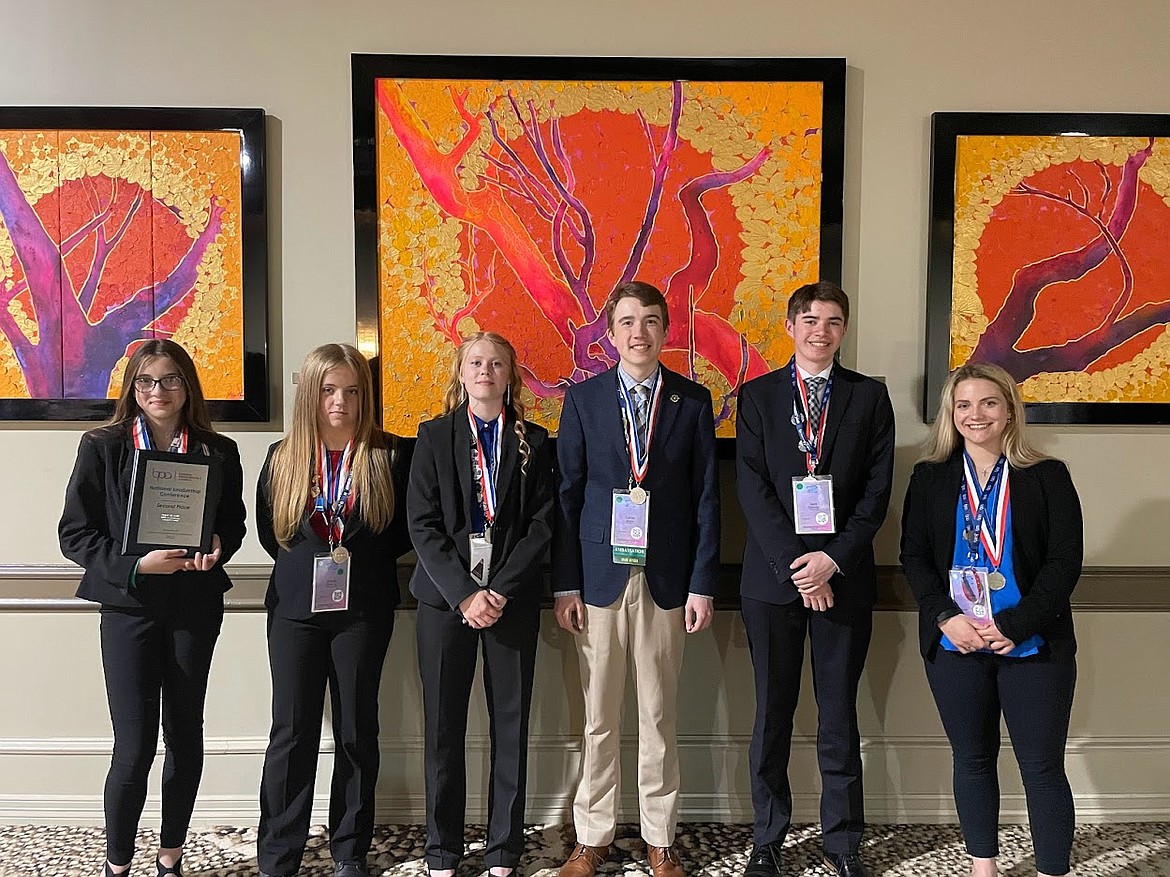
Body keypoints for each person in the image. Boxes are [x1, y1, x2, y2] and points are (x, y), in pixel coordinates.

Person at [58, 339, 247, 877]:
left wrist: (217, 546)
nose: (158, 391)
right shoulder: (103, 446)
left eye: (169, 380)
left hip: (194, 606)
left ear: (187, 385)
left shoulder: (218, 449)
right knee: (134, 743)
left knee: (185, 733)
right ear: (131, 389)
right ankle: (118, 862)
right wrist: (137, 566)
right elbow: (74, 535)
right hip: (128, 608)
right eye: (146, 381)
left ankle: (171, 855)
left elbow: (230, 524)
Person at [553, 281, 720, 877]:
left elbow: (706, 501)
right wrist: (564, 585)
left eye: (650, 321)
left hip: (667, 580)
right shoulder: (585, 400)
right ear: (611, 331)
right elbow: (567, 496)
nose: (639, 332)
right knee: (599, 715)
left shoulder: (692, 403)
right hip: (598, 578)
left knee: (657, 714)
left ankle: (659, 838)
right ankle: (592, 836)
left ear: (665, 329)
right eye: (627, 321)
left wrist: (702, 584)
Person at [735, 281, 894, 877]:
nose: (819, 330)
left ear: (844, 330)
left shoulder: (869, 397)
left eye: (831, 321)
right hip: (773, 582)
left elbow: (876, 493)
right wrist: (800, 568)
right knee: (772, 714)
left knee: (838, 716)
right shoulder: (758, 397)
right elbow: (751, 488)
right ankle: (768, 839)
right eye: (809, 319)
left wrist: (832, 560)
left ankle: (843, 842)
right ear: (790, 326)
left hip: (844, 579)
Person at [900, 362, 1082, 877]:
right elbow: (913, 556)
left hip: (1033, 644)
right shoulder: (931, 477)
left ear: (1008, 412)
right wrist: (945, 617)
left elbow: (1064, 562)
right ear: (950, 414)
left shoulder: (1047, 476)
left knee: (1042, 768)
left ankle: (1051, 870)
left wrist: (1013, 626)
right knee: (972, 761)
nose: (974, 415)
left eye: (987, 404)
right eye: (963, 405)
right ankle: (985, 868)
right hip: (955, 642)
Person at [255, 343, 410, 877]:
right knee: (291, 733)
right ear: (310, 395)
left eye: (351, 390)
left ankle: (350, 851)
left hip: (363, 611)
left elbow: (400, 537)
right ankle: (279, 855)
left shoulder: (390, 455)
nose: (339, 401)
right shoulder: (282, 457)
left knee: (355, 731)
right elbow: (270, 536)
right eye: (328, 390)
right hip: (294, 612)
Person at [408, 331, 556, 877]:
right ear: (461, 372)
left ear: (510, 375)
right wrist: (466, 593)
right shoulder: (432, 437)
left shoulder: (535, 441)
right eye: (476, 362)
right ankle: (442, 848)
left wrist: (499, 590)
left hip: (510, 601)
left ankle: (503, 848)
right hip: (446, 603)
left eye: (497, 363)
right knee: (442, 727)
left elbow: (543, 525)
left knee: (510, 725)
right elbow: (421, 525)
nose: (486, 371)